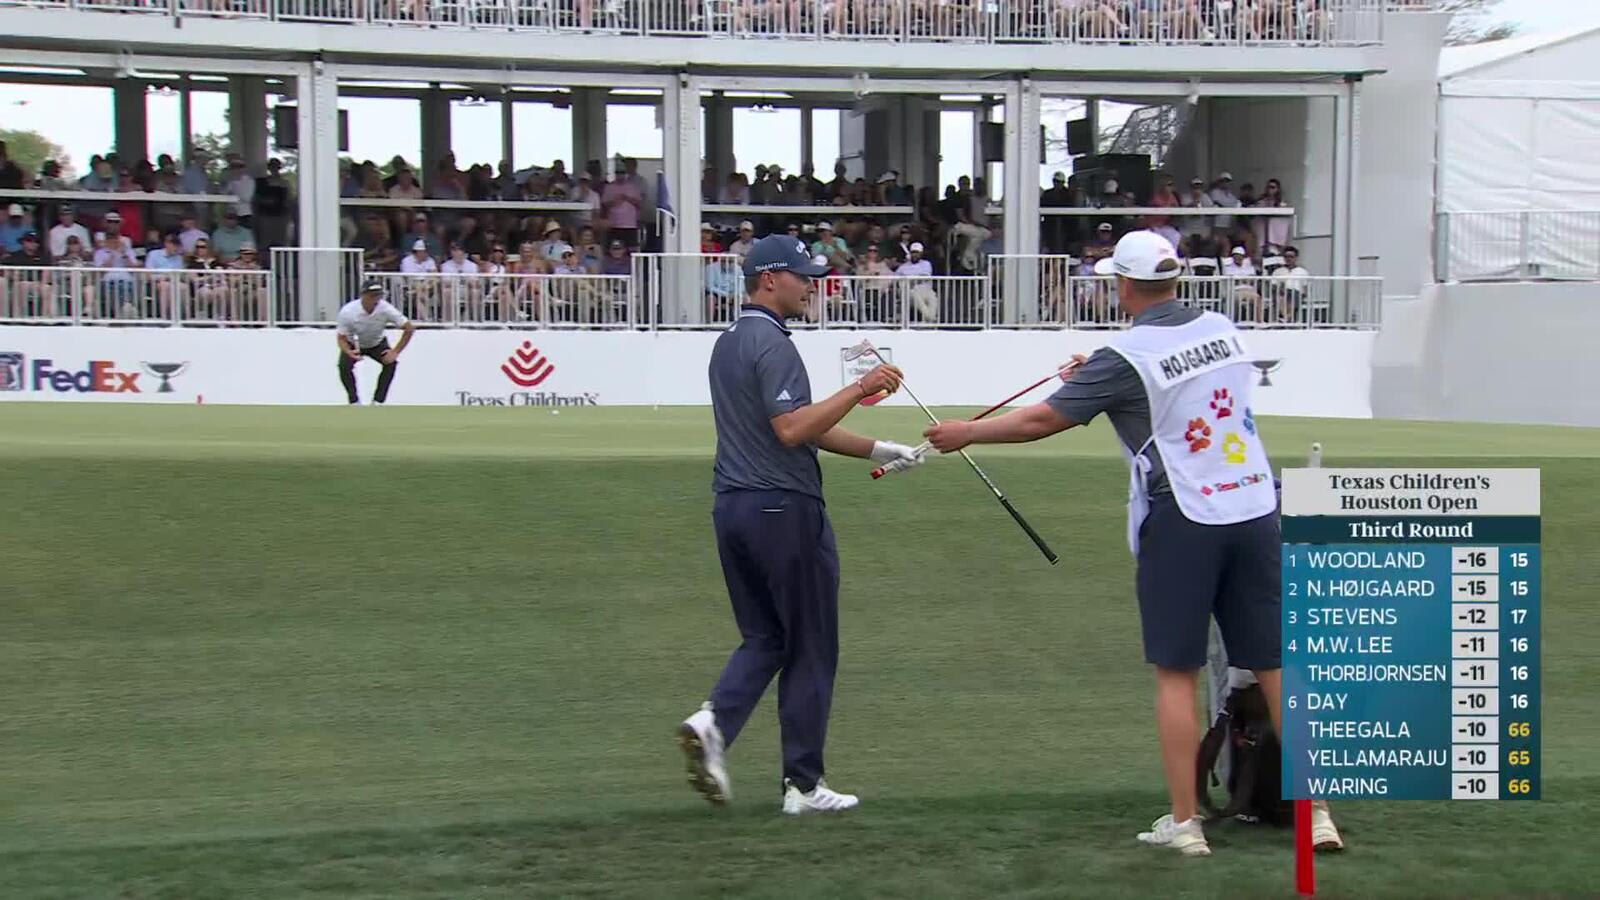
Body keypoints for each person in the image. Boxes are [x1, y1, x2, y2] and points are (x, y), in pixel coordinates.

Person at [923, 230, 1343, 857]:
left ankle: (1186, 824)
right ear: (1174, 278)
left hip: (1187, 516)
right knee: (1275, 668)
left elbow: (1044, 419)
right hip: (1255, 505)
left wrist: (968, 432)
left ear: (1121, 284)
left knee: (1177, 673)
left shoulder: (1124, 356)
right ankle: (1318, 817)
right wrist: (1097, 371)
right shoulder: (1222, 327)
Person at [677, 233, 924, 816]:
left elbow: (797, 424)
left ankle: (713, 723)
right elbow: (792, 430)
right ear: (769, 279)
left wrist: (879, 449)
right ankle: (804, 786)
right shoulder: (774, 344)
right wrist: (863, 388)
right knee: (811, 644)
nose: (811, 285)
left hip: (733, 507)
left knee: (767, 638)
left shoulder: (730, 341)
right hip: (783, 510)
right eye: (801, 275)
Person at [336, 280, 415, 405]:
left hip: (377, 342)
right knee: (343, 367)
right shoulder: (348, 312)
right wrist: (348, 351)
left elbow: (409, 328)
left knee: (391, 364)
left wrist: (395, 352)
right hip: (353, 343)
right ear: (363, 296)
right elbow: (341, 337)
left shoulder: (386, 309)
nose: (376, 299)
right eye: (372, 295)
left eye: (378, 295)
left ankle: (378, 401)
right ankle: (354, 401)